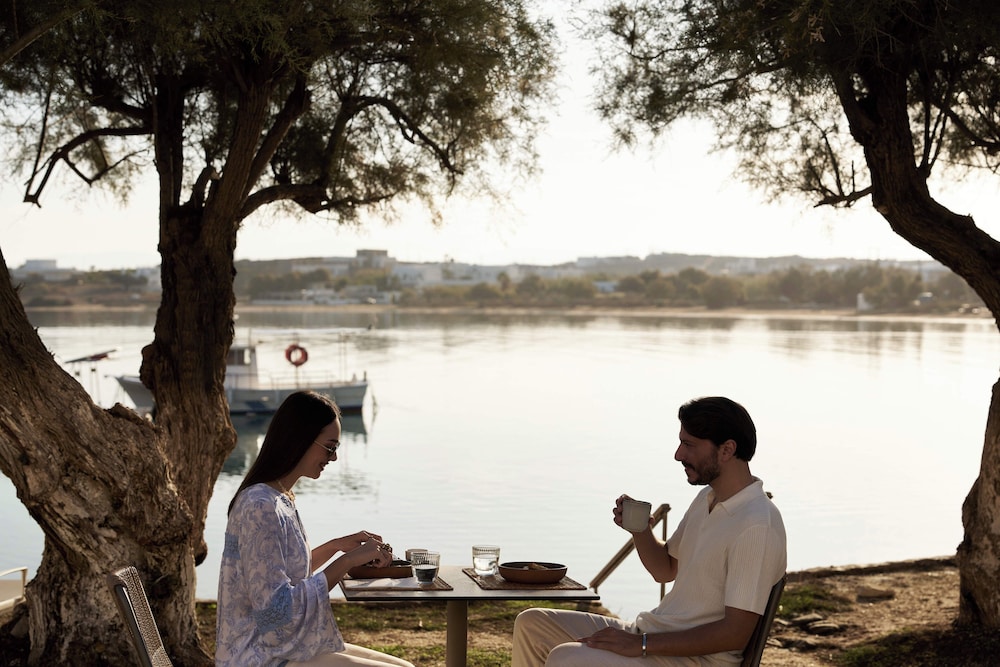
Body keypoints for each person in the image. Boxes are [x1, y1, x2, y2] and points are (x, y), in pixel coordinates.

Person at [512, 396, 786, 667]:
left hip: (695, 660)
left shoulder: (756, 525)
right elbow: (665, 569)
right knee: (532, 624)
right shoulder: (707, 499)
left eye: (688, 445)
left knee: (567, 657)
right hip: (653, 636)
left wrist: (640, 646)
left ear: (726, 450)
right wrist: (640, 530)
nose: (678, 454)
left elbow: (734, 634)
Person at [216, 390, 414, 667]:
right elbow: (275, 611)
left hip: (272, 651)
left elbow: (286, 575)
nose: (332, 458)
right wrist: (347, 562)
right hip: (257, 656)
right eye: (330, 447)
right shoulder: (260, 505)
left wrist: (336, 547)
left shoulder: (279, 498)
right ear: (300, 440)